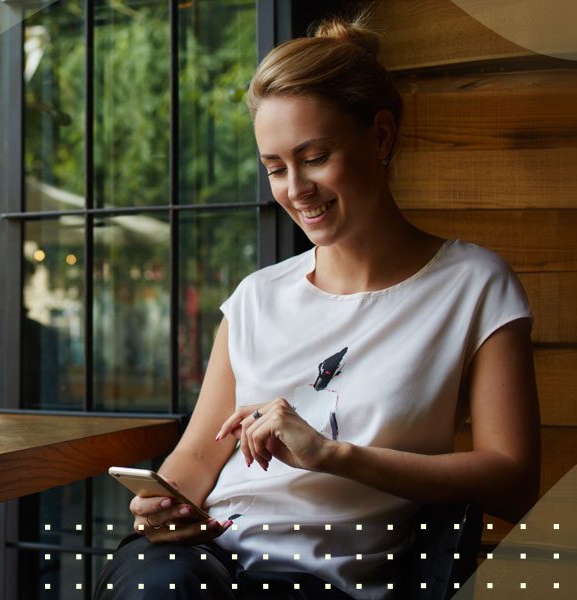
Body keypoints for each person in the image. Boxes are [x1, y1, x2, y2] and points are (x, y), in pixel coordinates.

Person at [97, 13, 538, 599]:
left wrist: (332, 455)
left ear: (380, 137)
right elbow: (199, 457)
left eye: (315, 156)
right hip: (204, 563)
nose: (294, 189)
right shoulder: (256, 297)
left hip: (328, 580)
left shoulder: (473, 286)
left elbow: (512, 481)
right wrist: (161, 505)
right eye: (275, 168)